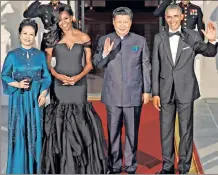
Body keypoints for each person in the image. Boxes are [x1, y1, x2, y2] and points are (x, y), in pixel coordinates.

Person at [40, 5, 107, 174]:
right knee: (61, 121)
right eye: (59, 20)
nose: (63, 23)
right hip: (60, 85)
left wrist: (77, 77)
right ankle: (63, 165)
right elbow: (48, 64)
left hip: (79, 85)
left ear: (73, 18)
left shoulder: (83, 37)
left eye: (66, 18)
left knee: (80, 120)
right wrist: (58, 76)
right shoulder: (52, 39)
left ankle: (82, 166)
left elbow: (89, 64)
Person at [152, 4, 218, 174]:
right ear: (165, 18)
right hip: (165, 91)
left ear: (182, 17)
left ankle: (183, 167)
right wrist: (155, 93)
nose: (172, 20)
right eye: (169, 17)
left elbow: (209, 52)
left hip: (186, 90)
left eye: (175, 16)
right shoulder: (159, 38)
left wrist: (212, 41)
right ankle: (167, 167)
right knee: (165, 131)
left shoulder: (193, 36)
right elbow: (156, 67)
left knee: (185, 130)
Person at [93, 7, 151, 174]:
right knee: (113, 133)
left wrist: (147, 90)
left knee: (132, 133)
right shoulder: (105, 39)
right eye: (119, 22)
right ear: (113, 22)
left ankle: (131, 166)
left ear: (131, 22)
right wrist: (105, 53)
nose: (123, 25)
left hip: (133, 94)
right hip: (113, 94)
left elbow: (146, 66)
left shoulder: (139, 41)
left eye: (126, 22)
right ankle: (114, 165)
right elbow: (97, 63)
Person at [1, 19, 52, 174]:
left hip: (36, 100)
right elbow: (4, 75)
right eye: (25, 33)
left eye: (31, 34)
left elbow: (47, 77)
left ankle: (35, 168)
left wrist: (43, 93)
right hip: (19, 99)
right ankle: (19, 169)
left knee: (36, 132)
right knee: (20, 130)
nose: (28, 37)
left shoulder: (40, 55)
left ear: (35, 36)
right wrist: (16, 84)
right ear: (19, 35)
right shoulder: (12, 55)